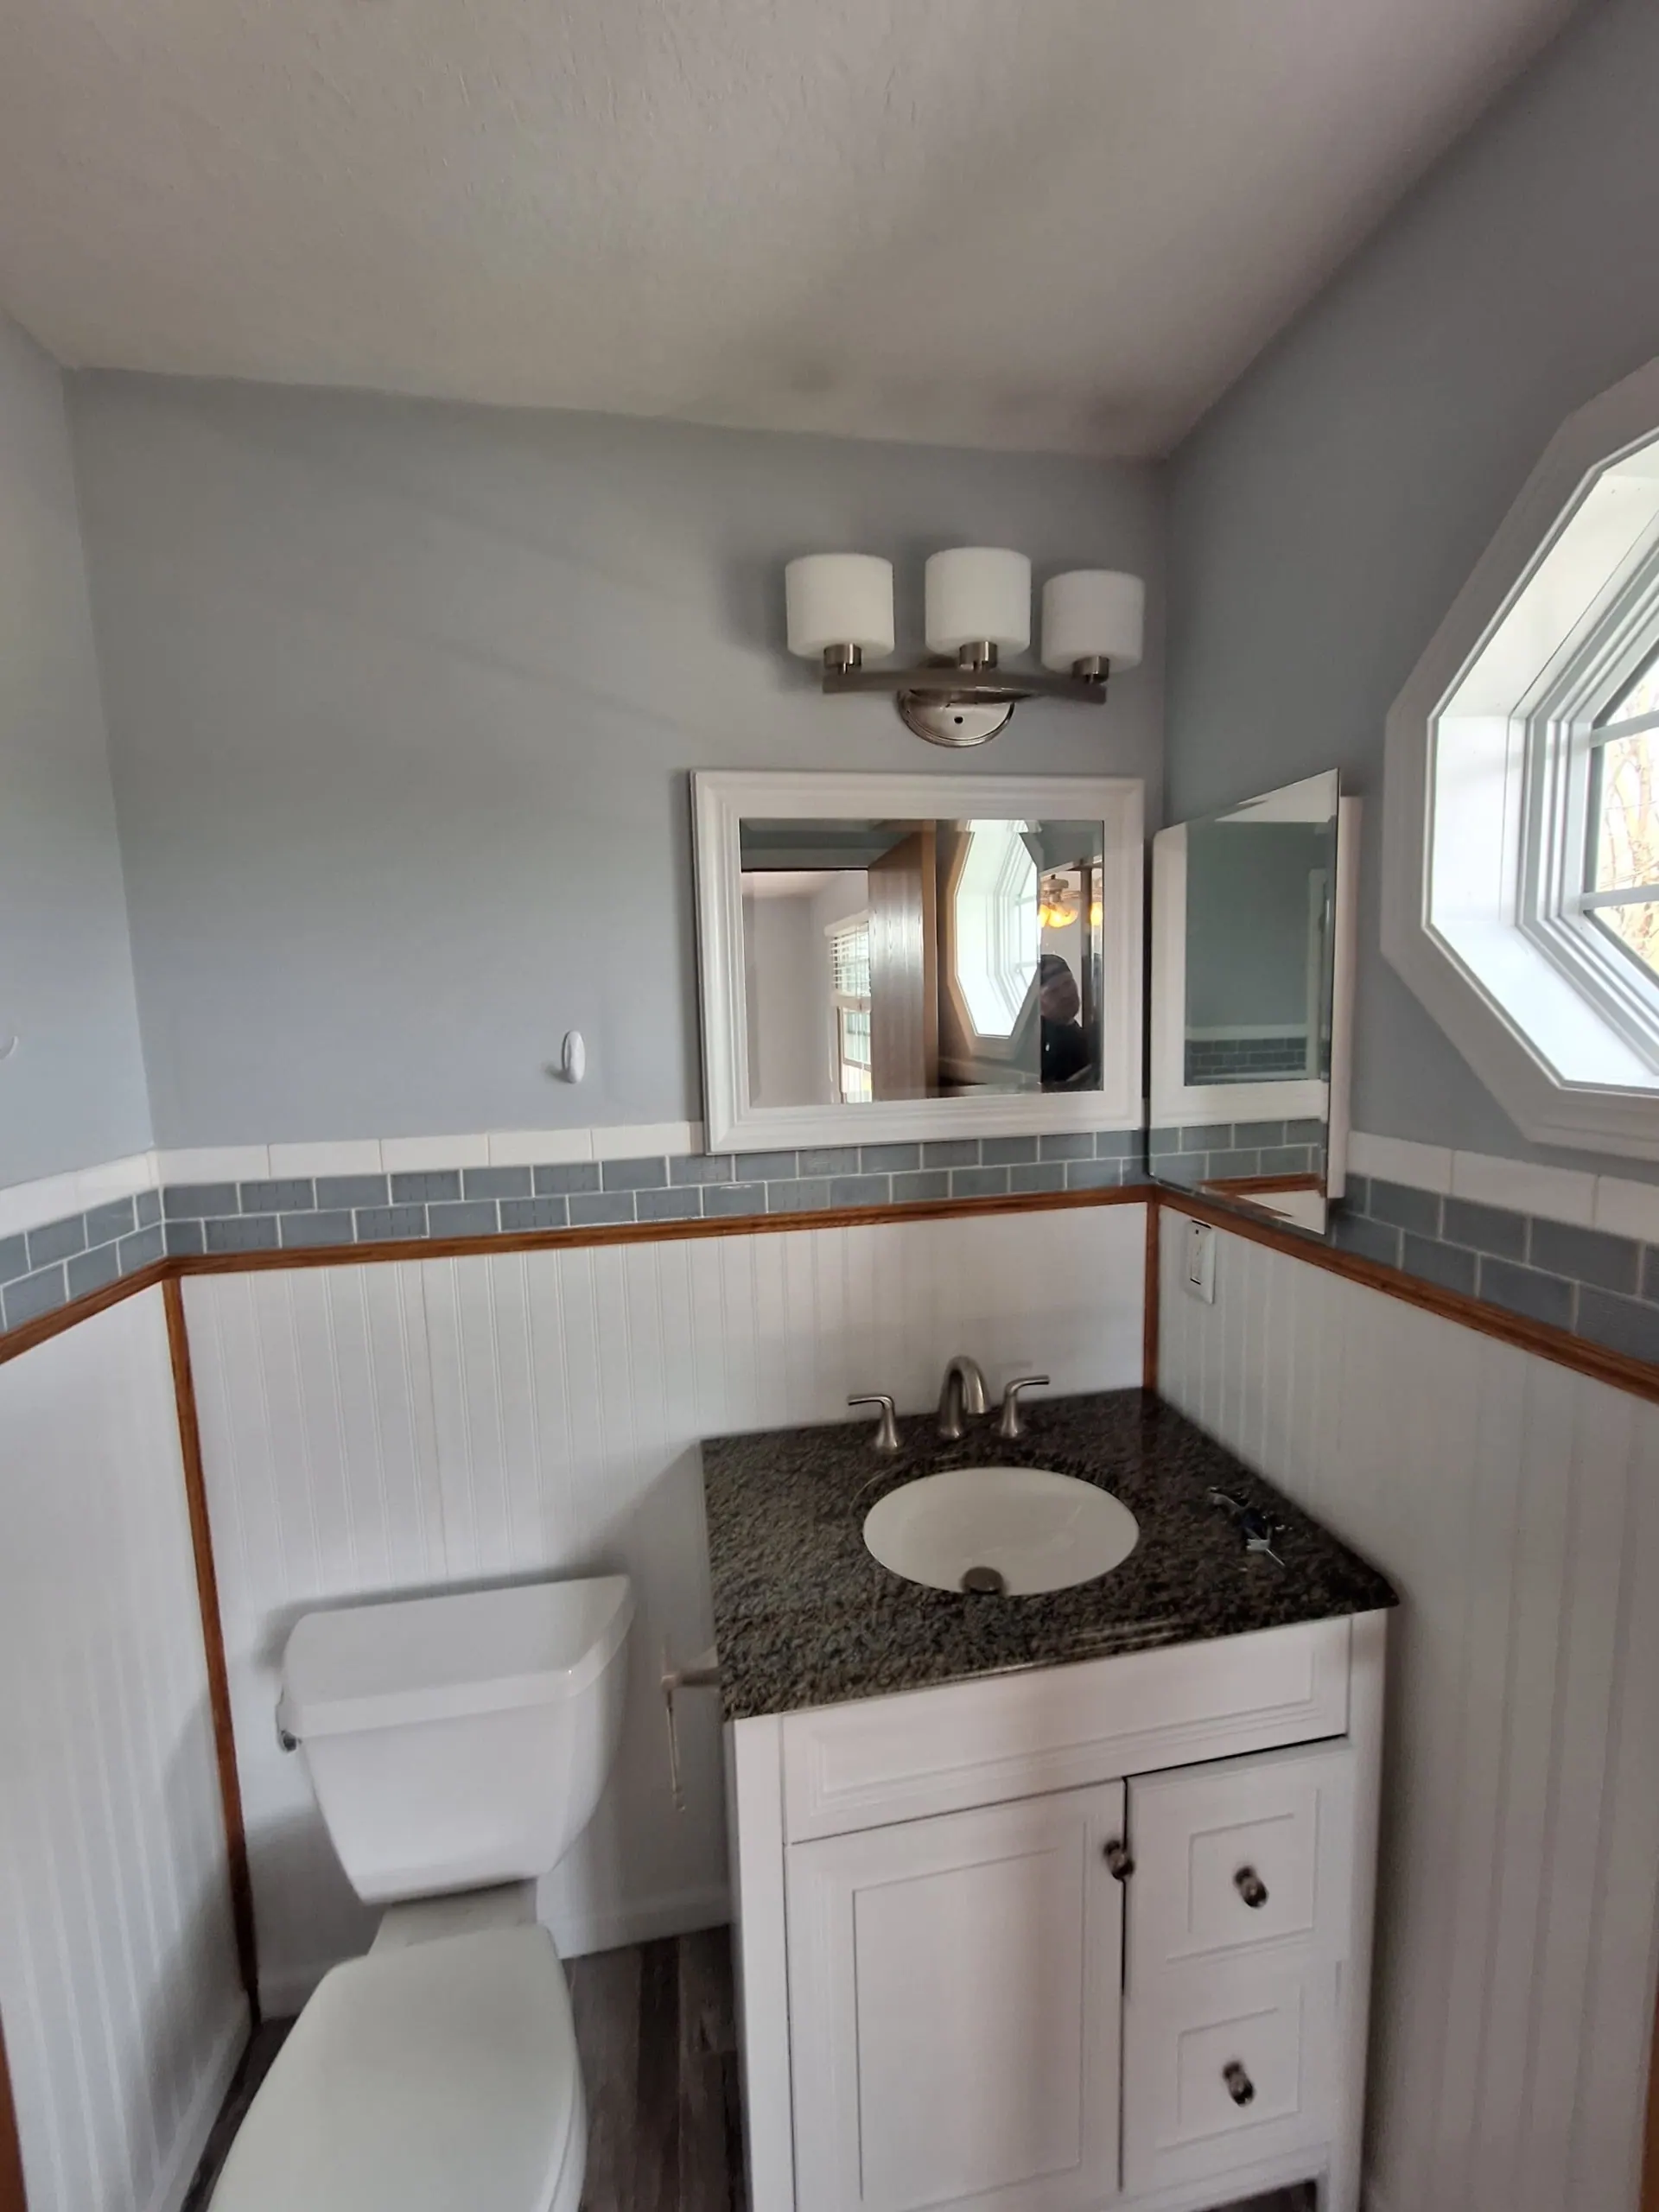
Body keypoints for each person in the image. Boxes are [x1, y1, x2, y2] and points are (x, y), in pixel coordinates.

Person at [1039, 953, 1095, 1087]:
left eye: (1067, 983)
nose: (1065, 994)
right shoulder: (1040, 1048)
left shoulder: (1080, 1033)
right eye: (1053, 991)